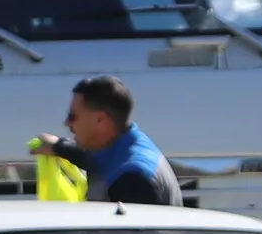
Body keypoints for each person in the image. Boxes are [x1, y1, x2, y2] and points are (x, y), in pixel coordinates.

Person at [53, 76, 178, 208]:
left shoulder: (131, 181)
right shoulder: (127, 144)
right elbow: (96, 160)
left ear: (100, 120)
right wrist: (57, 146)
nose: (67, 123)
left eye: (72, 116)